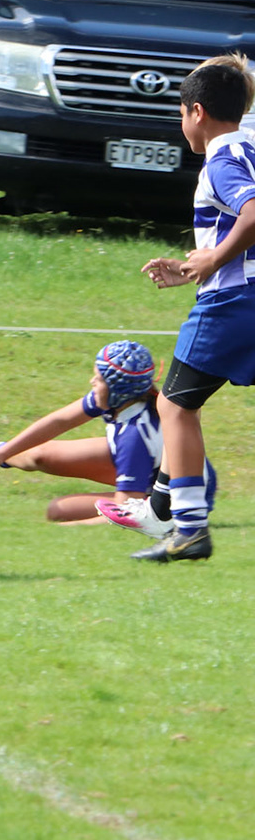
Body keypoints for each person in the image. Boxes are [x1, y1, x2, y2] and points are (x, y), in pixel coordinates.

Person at [130, 54, 255, 562]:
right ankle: (169, 514)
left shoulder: (222, 159)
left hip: (233, 305)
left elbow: (253, 213)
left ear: (196, 112)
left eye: (181, 113)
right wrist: (193, 266)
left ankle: (187, 529)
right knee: (180, 403)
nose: (181, 124)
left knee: (175, 406)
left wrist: (214, 261)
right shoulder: (251, 146)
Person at [0, 340, 211, 525]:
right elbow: (58, 421)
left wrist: (67, 531)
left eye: (98, 379)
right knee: (39, 455)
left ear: (118, 390)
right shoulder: (122, 400)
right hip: (153, 469)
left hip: (170, 495)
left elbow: (131, 513)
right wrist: (3, 452)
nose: (92, 382)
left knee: (58, 511)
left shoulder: (133, 438)